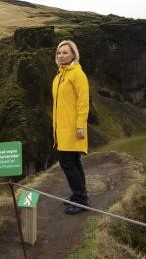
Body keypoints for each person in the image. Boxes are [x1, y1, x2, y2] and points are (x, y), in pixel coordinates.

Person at [52, 40, 90, 215]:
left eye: (65, 52)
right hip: (62, 128)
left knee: (66, 162)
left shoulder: (77, 74)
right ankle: (80, 194)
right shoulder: (59, 76)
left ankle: (81, 199)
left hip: (74, 128)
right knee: (73, 161)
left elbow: (83, 102)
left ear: (73, 54)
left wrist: (80, 126)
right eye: (59, 53)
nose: (61, 55)